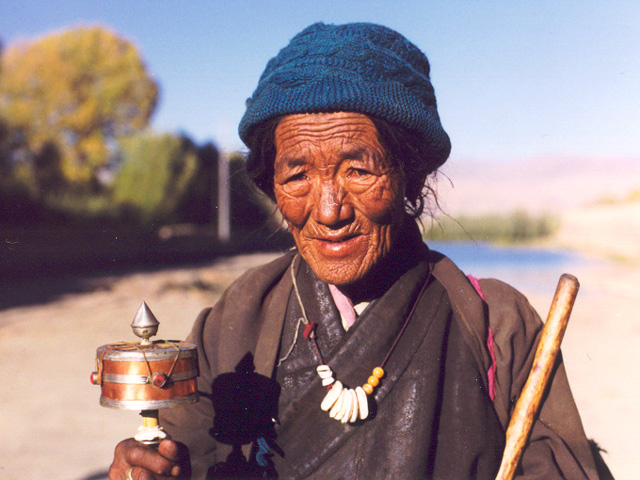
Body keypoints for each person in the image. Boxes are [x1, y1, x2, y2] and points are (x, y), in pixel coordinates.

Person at [109, 22, 603, 480]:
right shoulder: (240, 317)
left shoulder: (497, 326)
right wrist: (152, 468)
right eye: (297, 175)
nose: (328, 210)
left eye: (359, 171)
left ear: (410, 176)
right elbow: (184, 454)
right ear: (272, 184)